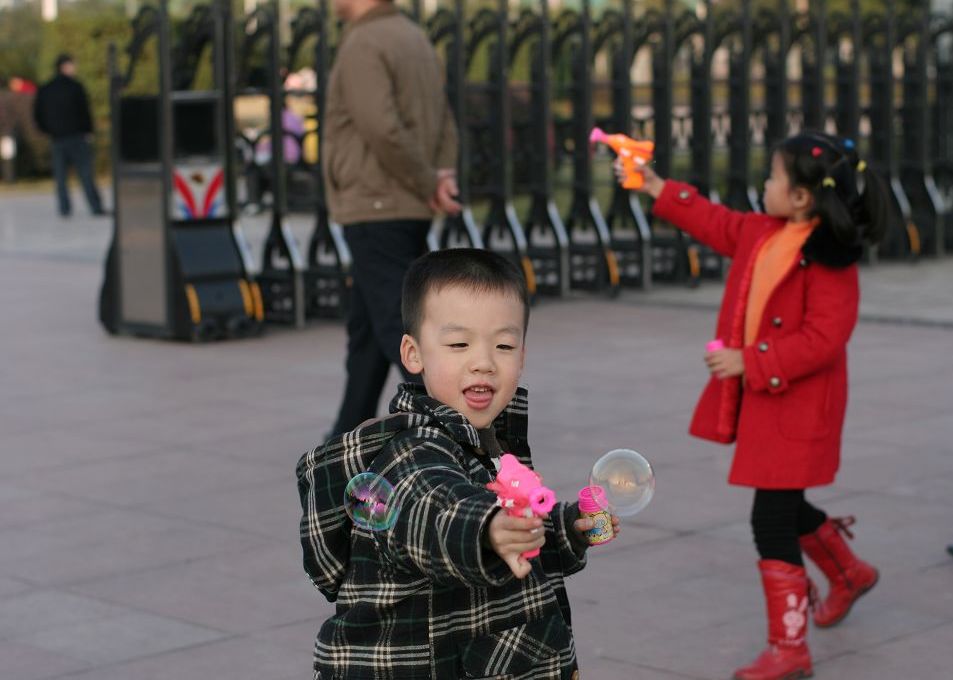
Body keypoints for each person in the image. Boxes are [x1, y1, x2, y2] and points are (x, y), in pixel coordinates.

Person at [621, 131, 891, 680]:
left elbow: (825, 337)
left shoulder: (829, 259)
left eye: (773, 177)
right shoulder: (763, 231)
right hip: (769, 408)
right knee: (787, 507)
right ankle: (849, 573)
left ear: (802, 197)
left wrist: (753, 360)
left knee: (769, 519)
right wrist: (656, 186)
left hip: (800, 408)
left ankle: (789, 648)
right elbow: (714, 221)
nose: (764, 184)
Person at [297, 248, 619, 679]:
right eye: (458, 344)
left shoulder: (489, 440)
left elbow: (518, 550)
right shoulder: (410, 453)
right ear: (414, 354)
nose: (483, 361)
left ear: (522, 355)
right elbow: (432, 510)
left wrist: (564, 529)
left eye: (504, 345)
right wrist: (486, 528)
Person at [323, 0, 461, 436]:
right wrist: (439, 176)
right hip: (401, 203)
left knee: (396, 328)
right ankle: (345, 437)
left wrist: (425, 180)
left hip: (377, 202)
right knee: (368, 331)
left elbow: (380, 127)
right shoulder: (412, 36)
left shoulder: (364, 42)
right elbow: (444, 120)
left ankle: (460, 434)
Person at [33, 53, 105, 217]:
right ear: (65, 66)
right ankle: (95, 206)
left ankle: (64, 208)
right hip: (77, 137)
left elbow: (38, 114)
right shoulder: (75, 87)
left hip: (57, 138)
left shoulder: (46, 89)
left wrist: (47, 130)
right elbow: (85, 112)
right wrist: (89, 131)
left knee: (61, 177)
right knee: (86, 174)